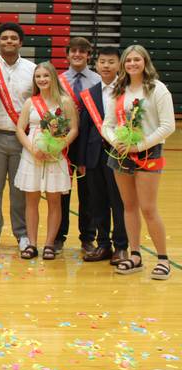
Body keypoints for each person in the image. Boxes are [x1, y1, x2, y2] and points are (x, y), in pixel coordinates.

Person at [102, 45, 174, 280]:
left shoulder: (157, 89)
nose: (132, 64)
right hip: (121, 153)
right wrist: (116, 143)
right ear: (123, 64)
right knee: (129, 206)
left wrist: (138, 147)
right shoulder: (118, 90)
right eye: (128, 60)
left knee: (148, 208)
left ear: (145, 62)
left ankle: (163, 259)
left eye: (137, 60)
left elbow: (167, 126)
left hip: (148, 153)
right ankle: (135, 255)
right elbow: (107, 125)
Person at [14, 62, 78, 260]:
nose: (42, 79)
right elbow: (20, 129)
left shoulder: (65, 102)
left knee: (54, 200)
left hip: (55, 156)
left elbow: (74, 129)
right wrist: (32, 148)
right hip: (32, 155)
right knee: (31, 201)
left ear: (53, 77)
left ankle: (49, 244)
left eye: (46, 76)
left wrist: (58, 147)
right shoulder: (30, 102)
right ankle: (32, 244)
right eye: (38, 76)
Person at [0, 23, 36, 252]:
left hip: (22, 138)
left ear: (21, 42)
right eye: (4, 38)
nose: (9, 41)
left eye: (14, 38)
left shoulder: (33, 70)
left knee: (19, 188)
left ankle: (22, 233)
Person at [77, 47, 127, 264]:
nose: (106, 66)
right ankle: (103, 244)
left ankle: (122, 246)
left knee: (119, 202)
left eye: (111, 62)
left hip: (120, 155)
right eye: (102, 62)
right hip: (94, 156)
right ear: (96, 65)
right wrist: (81, 160)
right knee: (97, 202)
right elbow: (85, 128)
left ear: (119, 65)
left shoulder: (128, 91)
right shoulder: (90, 93)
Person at [56, 36, 100, 255]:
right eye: (73, 51)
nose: (77, 55)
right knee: (62, 190)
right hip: (64, 142)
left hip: (88, 143)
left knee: (88, 192)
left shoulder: (97, 80)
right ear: (67, 54)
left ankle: (87, 238)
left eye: (82, 51)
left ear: (88, 56)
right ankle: (58, 236)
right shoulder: (58, 80)